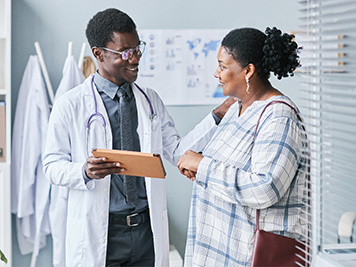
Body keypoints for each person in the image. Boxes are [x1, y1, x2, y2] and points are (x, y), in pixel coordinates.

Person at [42, 8, 235, 267]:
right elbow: (51, 165)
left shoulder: (149, 99)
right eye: (125, 53)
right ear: (99, 54)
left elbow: (177, 152)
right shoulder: (70, 104)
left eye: (137, 48)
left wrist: (217, 115)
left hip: (145, 231)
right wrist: (84, 171)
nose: (135, 58)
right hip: (103, 232)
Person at [177, 27, 308, 266]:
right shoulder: (236, 108)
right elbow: (230, 167)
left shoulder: (279, 115)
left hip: (249, 255)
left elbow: (265, 188)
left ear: (248, 71)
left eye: (223, 66)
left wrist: (203, 166)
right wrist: (199, 168)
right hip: (219, 250)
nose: (216, 73)